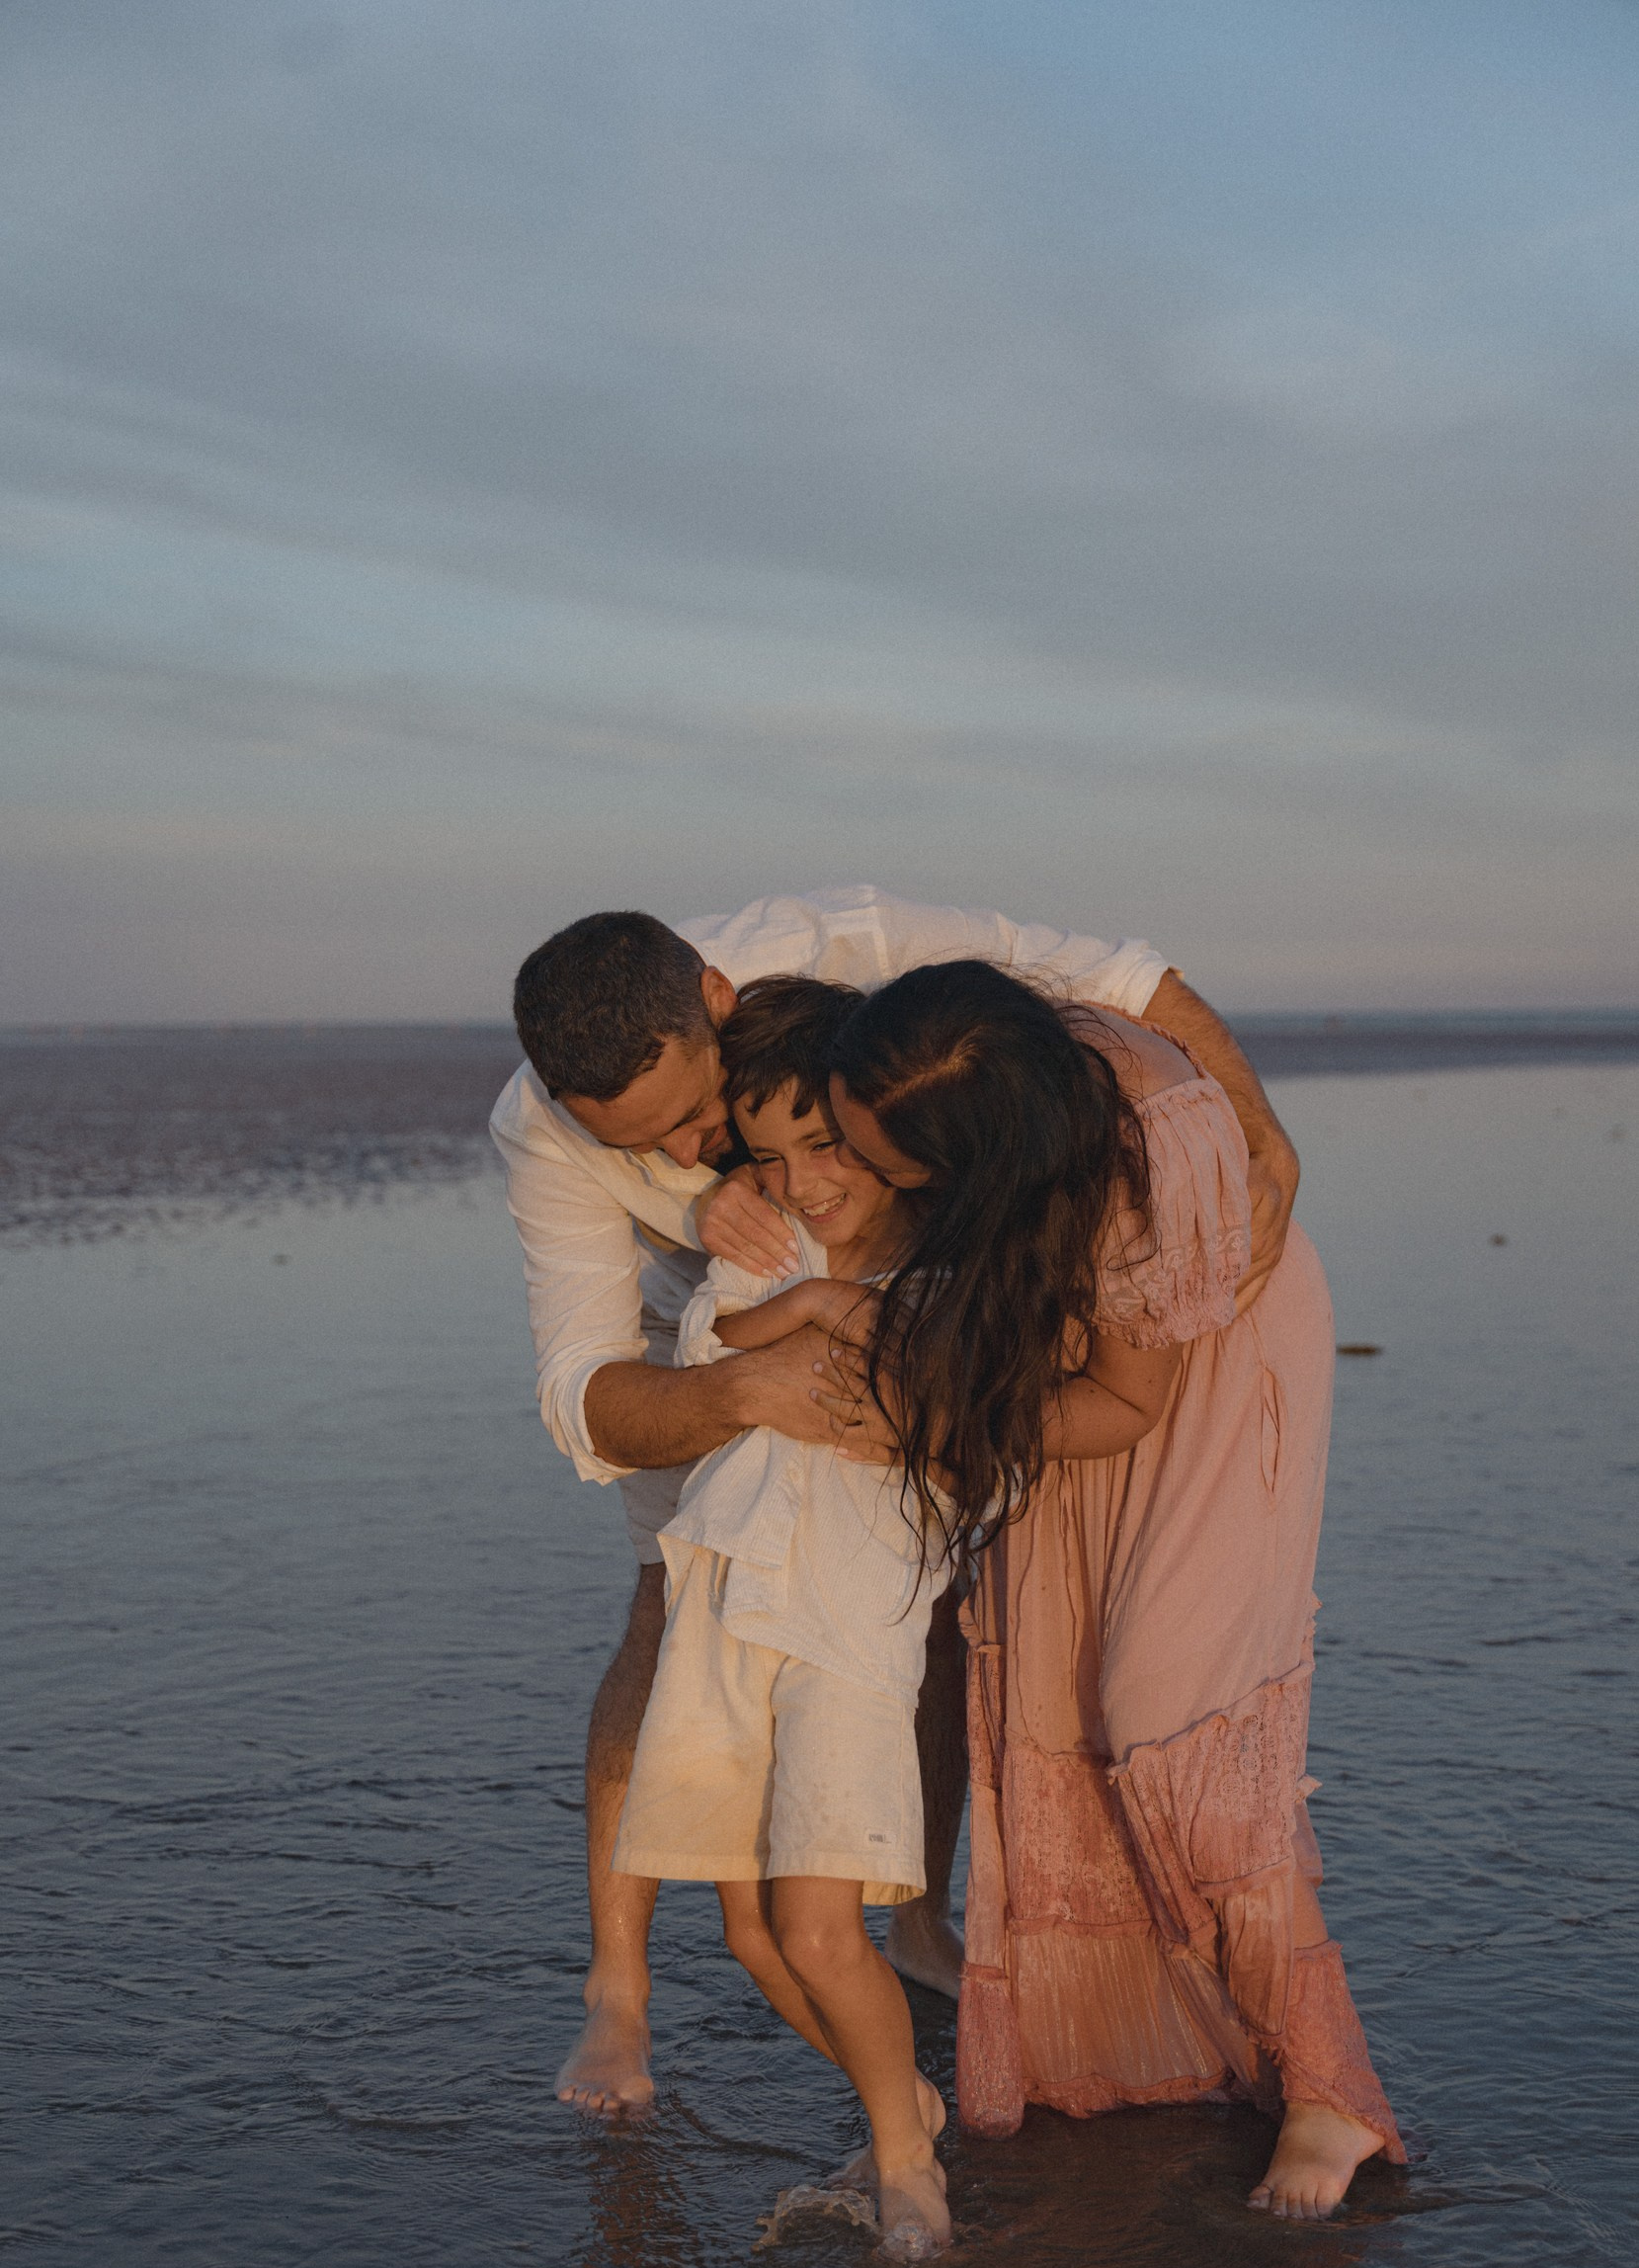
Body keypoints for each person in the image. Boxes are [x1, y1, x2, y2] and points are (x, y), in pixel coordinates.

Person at [493, 884, 1300, 2116]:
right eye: (638, 1143)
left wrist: (1257, 1127)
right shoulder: (546, 1130)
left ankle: (914, 1920)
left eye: (694, 1112)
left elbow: (1114, 975)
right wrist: (745, 1386)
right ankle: (618, 1989)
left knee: (914, 1610)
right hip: (694, 1339)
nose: (682, 1149)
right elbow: (578, 1398)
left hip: (910, 1286)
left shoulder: (844, 943)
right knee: (668, 1605)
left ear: (719, 1002)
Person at [816, 961, 1404, 2219]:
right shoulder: (961, 1038)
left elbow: (1126, 1406)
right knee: (1051, 1665)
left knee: (1166, 1701)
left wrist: (912, 1418)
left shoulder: (1148, 1150)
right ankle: (1149, 2042)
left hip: (1200, 1367)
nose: (858, 1163)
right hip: (1077, 1354)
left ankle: (1331, 2092)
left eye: (884, 1157)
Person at [612, 976, 953, 2256]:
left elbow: (924, 1409)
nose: (802, 1184)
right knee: (750, 1935)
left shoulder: (947, 1262)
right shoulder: (769, 1245)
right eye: (767, 1157)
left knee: (816, 1925)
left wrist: (805, 1329)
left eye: (825, 1146)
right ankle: (900, 2100)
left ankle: (908, 2162)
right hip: (723, 1602)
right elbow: (711, 1351)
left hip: (848, 1627)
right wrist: (800, 1305)